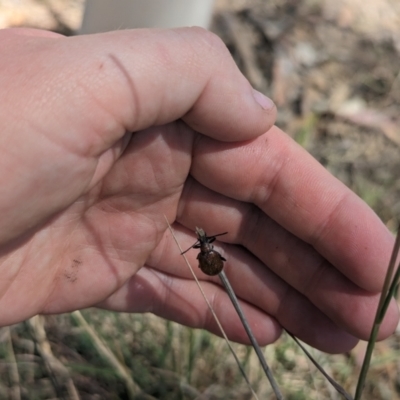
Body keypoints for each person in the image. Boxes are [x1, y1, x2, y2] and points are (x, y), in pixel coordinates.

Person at [0, 27, 397, 354]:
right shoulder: (207, 248)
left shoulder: (204, 249)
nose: (206, 244)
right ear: (210, 247)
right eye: (207, 245)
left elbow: (206, 253)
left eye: (206, 245)